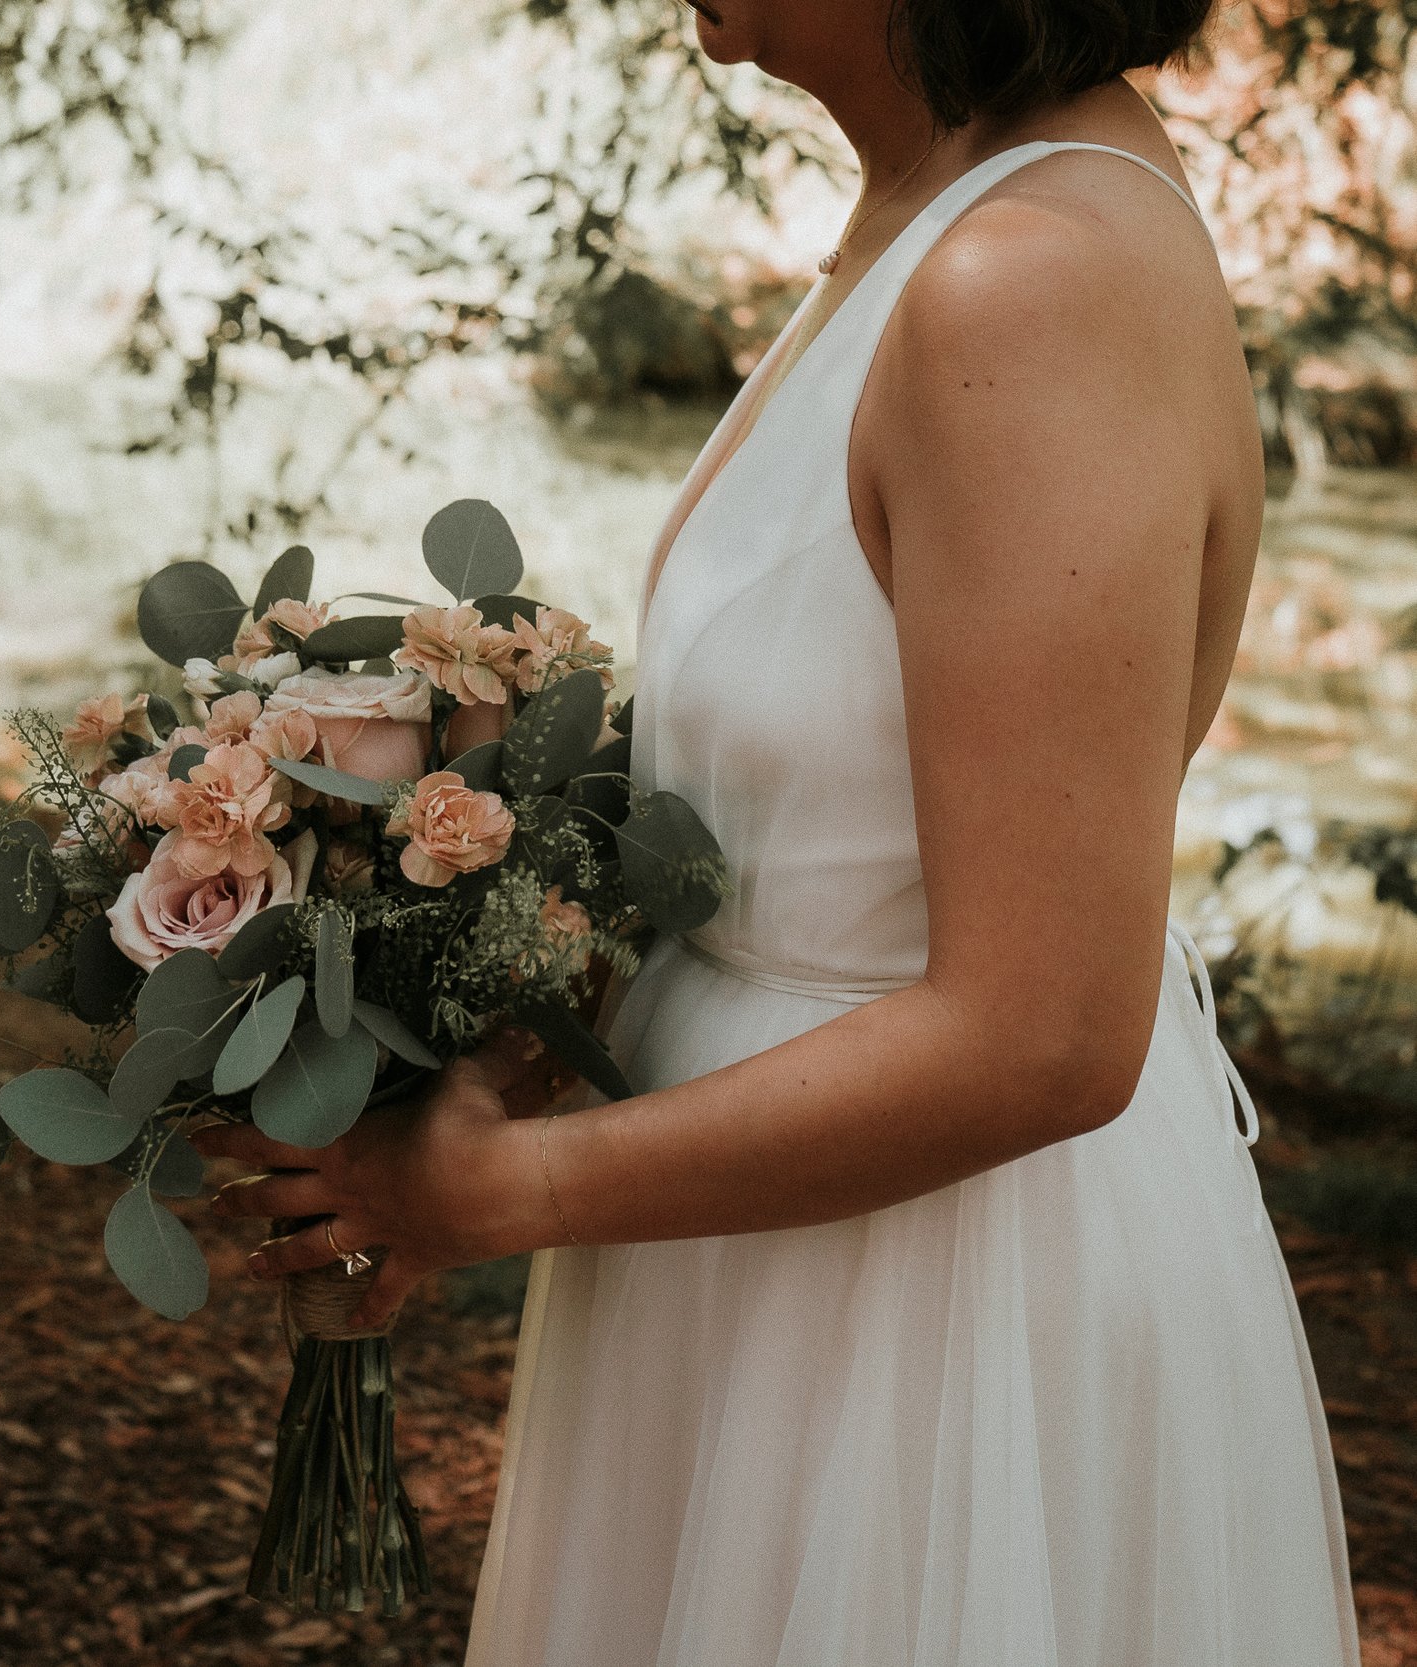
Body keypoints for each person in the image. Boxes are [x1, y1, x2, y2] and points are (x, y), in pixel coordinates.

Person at [199, 2, 1362, 1661]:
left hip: (931, 1332)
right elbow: (814, 847)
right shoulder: (931, 206)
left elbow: (1043, 1035)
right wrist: (461, 1044)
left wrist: (508, 1190)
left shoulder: (1030, 277)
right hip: (755, 1259)